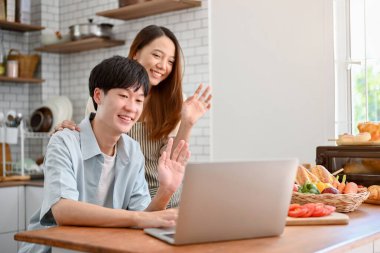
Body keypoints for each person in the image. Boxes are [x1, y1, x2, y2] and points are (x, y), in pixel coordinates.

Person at [19, 56, 190, 253]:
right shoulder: (64, 141)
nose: (132, 108)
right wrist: (136, 218)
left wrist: (166, 190)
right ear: (98, 96)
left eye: (139, 100)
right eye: (124, 96)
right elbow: (62, 210)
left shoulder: (133, 150)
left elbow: (145, 217)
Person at [55, 25, 212, 208]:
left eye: (171, 61)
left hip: (162, 194)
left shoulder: (175, 101)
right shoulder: (105, 95)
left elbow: (170, 160)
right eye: (157, 55)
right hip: (123, 197)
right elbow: (94, 143)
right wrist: (71, 132)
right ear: (136, 53)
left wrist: (187, 123)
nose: (163, 66)